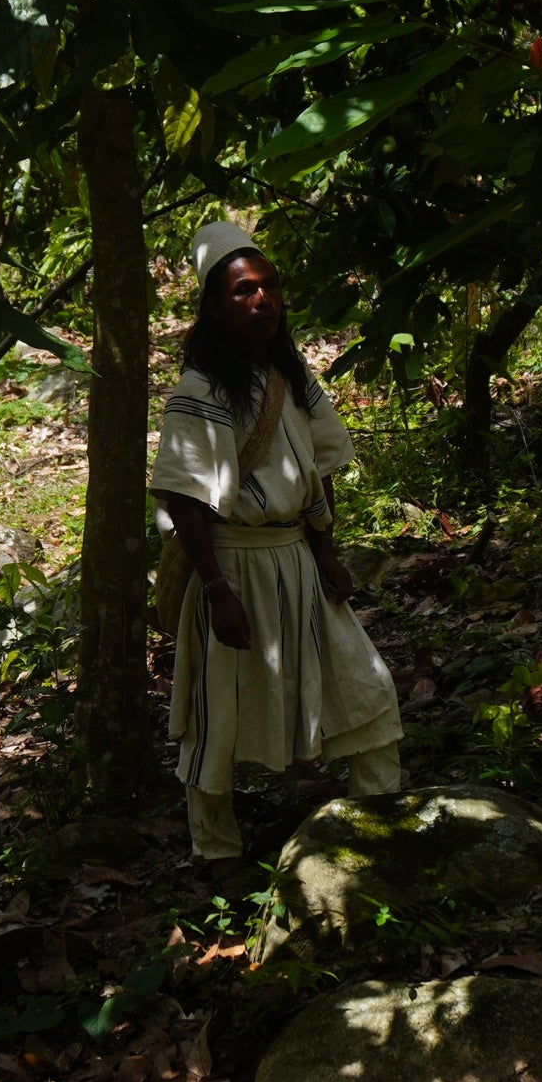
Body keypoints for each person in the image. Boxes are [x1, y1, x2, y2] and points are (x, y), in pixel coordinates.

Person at [150, 222, 403, 868]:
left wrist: (325, 551)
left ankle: (379, 820)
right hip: (234, 567)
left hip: (296, 557)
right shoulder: (198, 391)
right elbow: (184, 498)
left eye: (268, 287)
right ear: (213, 305)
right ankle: (217, 853)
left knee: (362, 686)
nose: (262, 299)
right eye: (243, 290)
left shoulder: (290, 378)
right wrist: (215, 587)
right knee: (219, 717)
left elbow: (314, 471)